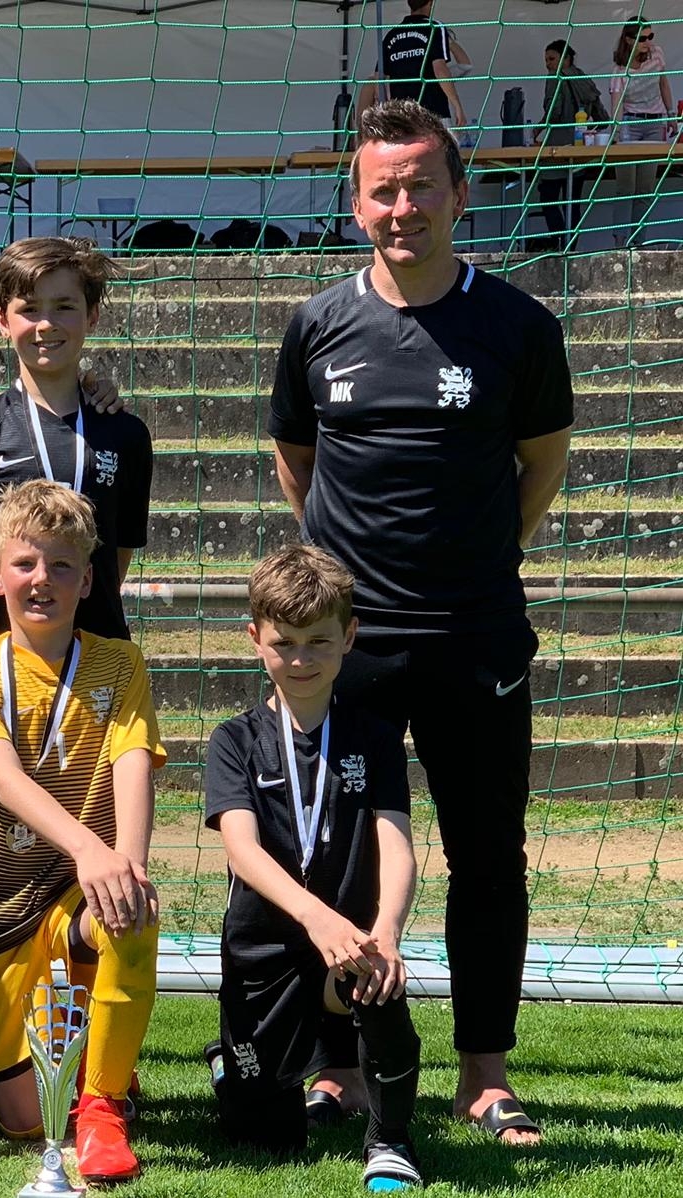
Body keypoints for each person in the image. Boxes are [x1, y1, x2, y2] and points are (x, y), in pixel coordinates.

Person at [269, 99, 572, 1146]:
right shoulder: (317, 324)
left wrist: (482, 555)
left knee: (486, 854)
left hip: (475, 635)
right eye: (382, 190)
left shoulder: (519, 327)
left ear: (459, 194)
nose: (403, 207)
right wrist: (338, 583)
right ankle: (341, 1064)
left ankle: (482, 1073)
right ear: (356, 206)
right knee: (334, 851)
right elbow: (298, 463)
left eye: (420, 186)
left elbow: (542, 462)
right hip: (346, 648)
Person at [0, 235, 153, 1112]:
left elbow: (113, 561)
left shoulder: (124, 433)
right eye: (29, 307)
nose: (46, 323)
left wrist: (69, 624)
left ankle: (99, 1057)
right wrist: (9, 639)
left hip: (91, 673)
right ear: (1, 318)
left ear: (91, 317)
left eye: (65, 307)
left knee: (93, 854)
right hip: (2, 677)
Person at [0, 479, 164, 1184]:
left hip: (77, 889)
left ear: (88, 579)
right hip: (1, 901)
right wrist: (92, 848)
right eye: (26, 563)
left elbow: (133, 761)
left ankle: (103, 1105)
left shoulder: (120, 662)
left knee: (132, 913)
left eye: (63, 565)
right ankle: (12, 1054)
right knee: (24, 1120)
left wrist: (127, 865)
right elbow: (3, 777)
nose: (43, 580)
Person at [204, 545, 422, 1191]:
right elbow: (242, 850)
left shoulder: (376, 737)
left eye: (319, 642)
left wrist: (386, 930)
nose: (301, 660)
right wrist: (314, 917)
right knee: (263, 1137)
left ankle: (390, 1141)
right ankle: (231, 1064)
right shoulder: (233, 740)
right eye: (285, 643)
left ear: (349, 637)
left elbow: (398, 845)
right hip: (264, 948)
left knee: (378, 978)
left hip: (345, 945)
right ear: (255, 639)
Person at [529, 40, 608, 251]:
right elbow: (603, 118)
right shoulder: (584, 79)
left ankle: (559, 244)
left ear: (566, 59)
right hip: (580, 147)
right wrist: (587, 131)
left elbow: (553, 112)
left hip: (556, 147)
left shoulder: (554, 78)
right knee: (572, 202)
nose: (548, 64)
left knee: (548, 197)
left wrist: (539, 128)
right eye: (546, 59)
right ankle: (571, 248)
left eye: (551, 58)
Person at [608, 16, 676, 246]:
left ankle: (639, 243)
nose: (648, 42)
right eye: (642, 38)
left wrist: (671, 114)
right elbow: (616, 103)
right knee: (625, 188)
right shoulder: (619, 69)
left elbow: (663, 83)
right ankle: (620, 243)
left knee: (646, 189)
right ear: (629, 40)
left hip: (654, 124)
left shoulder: (657, 54)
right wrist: (616, 131)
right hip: (630, 124)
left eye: (650, 36)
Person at [358, 1, 468, 132]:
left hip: (402, 117)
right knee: (441, 145)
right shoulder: (434, 27)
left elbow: (379, 78)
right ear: (430, 3)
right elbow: (441, 70)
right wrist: (457, 106)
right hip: (433, 114)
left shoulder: (391, 35)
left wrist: (389, 108)